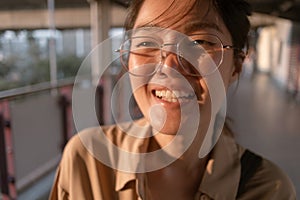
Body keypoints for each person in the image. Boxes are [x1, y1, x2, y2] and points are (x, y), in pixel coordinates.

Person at [49, 0, 296, 199]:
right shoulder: (88, 162)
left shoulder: (268, 189)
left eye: (199, 42)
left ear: (236, 66)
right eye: (146, 42)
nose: (169, 67)